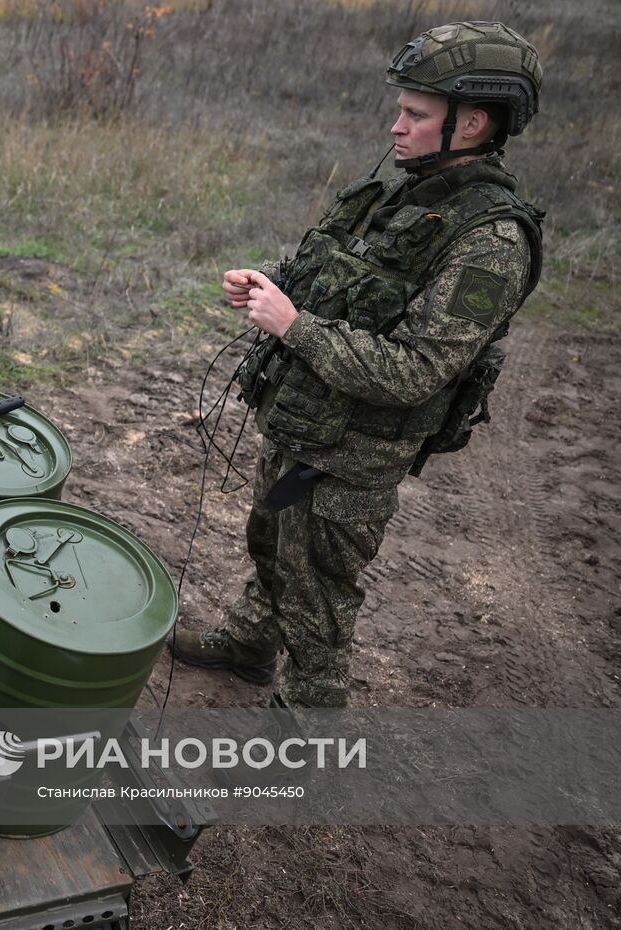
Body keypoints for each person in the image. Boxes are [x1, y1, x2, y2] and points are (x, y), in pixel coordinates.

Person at [169, 21, 545, 709]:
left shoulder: (491, 242)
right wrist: (270, 292)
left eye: (416, 114)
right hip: (304, 415)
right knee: (272, 537)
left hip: (355, 452)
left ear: (473, 123)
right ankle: (252, 642)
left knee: (319, 582)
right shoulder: (402, 196)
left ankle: (310, 713)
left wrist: (294, 325)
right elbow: (341, 286)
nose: (397, 127)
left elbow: (415, 369)